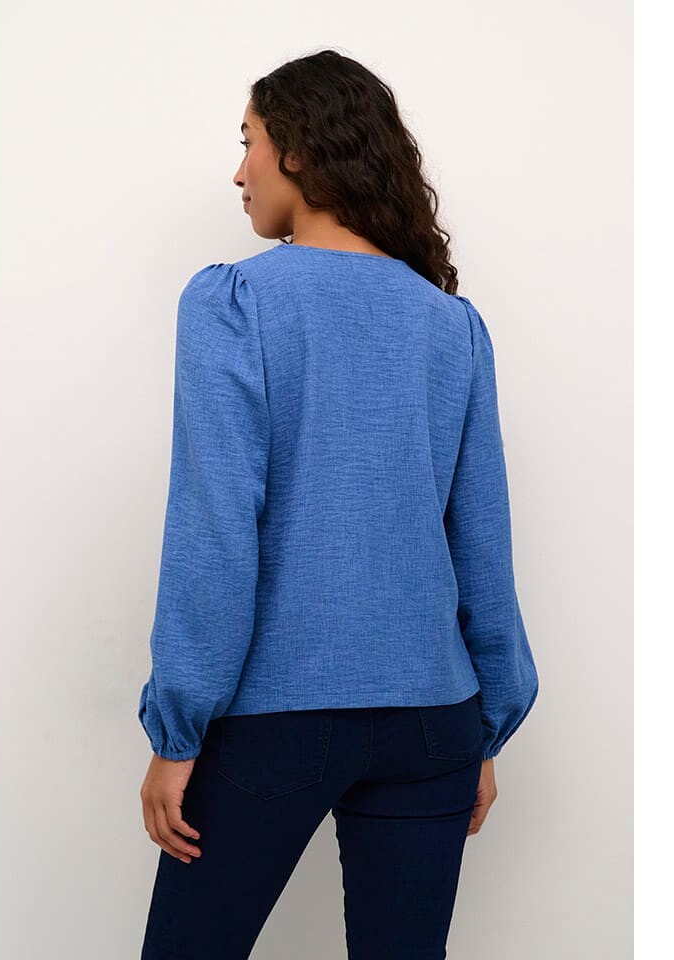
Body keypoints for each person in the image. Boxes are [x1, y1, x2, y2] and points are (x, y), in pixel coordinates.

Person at [137, 49, 539, 960]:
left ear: (301, 151)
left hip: (272, 722)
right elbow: (482, 541)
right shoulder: (451, 325)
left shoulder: (235, 302)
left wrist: (178, 728)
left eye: (249, 142)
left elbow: (214, 532)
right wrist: (483, 731)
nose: (239, 171)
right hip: (435, 722)